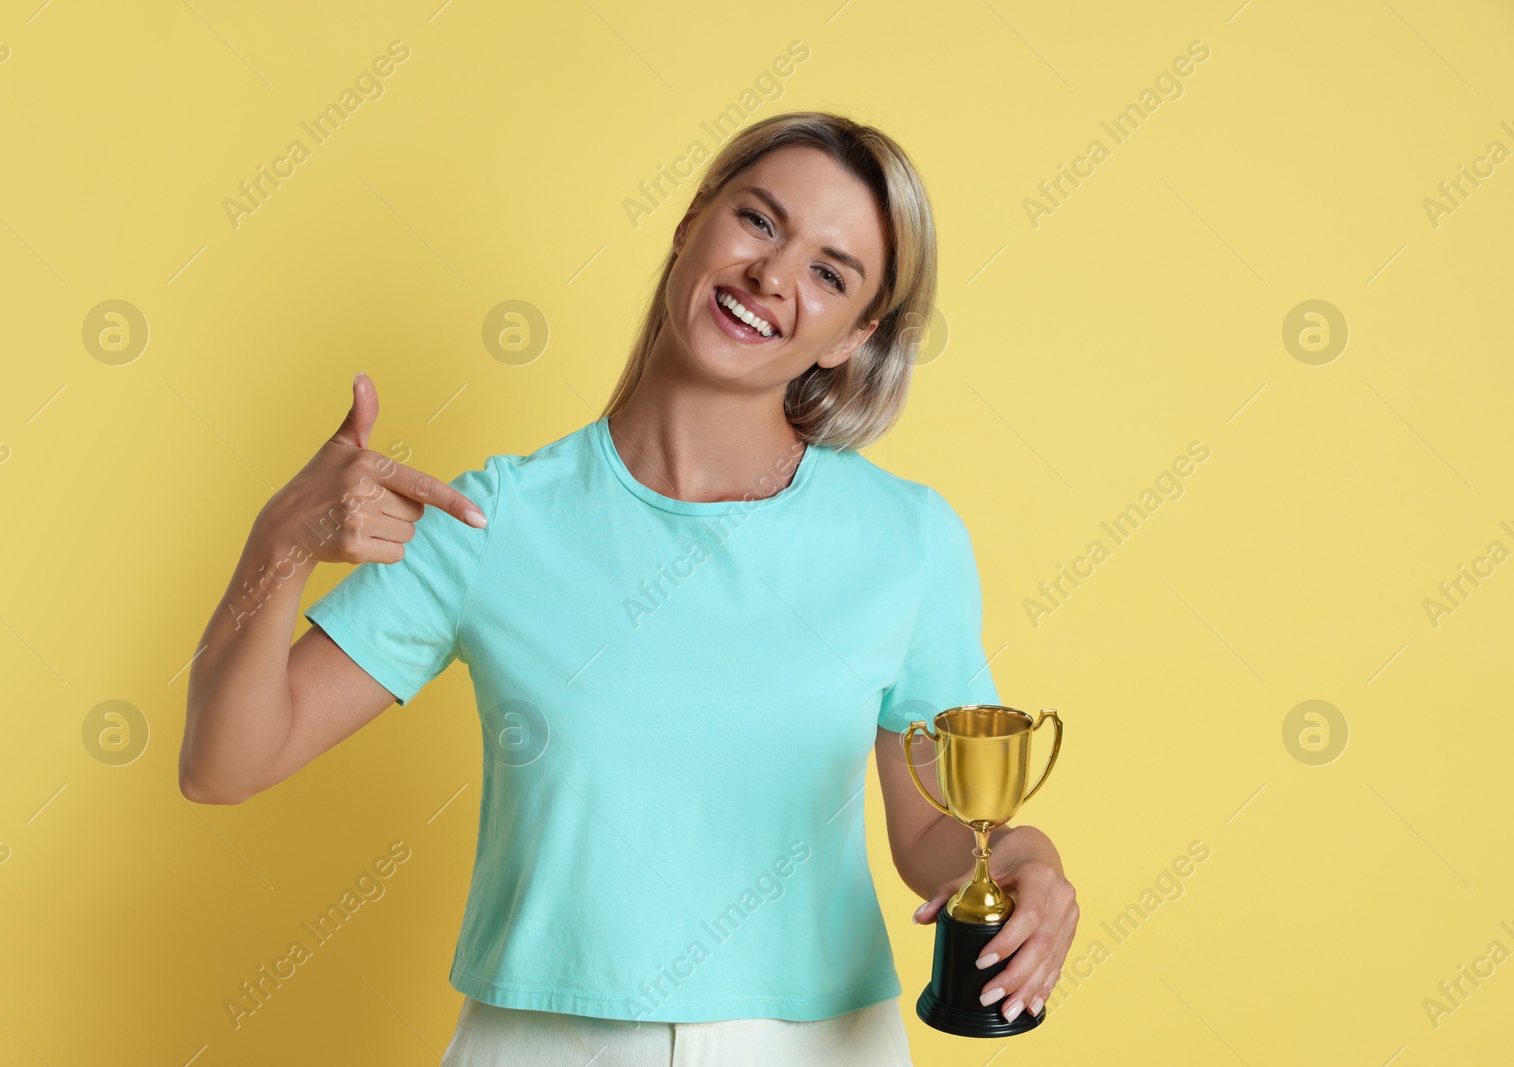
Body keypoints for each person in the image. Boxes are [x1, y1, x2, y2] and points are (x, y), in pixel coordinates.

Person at [178, 110, 1077, 1066]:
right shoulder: (493, 522)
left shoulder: (907, 540)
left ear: (852, 337)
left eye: (830, 272)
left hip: (818, 1046)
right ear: (692, 222)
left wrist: (1027, 861)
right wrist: (279, 542)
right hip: (541, 1041)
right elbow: (225, 764)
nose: (773, 277)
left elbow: (940, 834)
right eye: (760, 222)